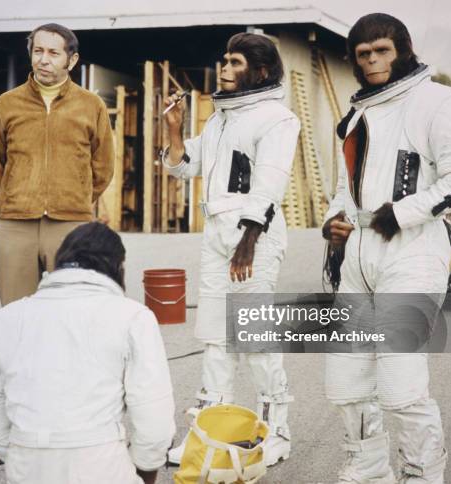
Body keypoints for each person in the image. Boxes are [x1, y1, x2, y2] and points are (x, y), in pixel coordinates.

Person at [322, 13, 451, 483]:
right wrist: (335, 220)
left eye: (382, 51)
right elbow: (346, 186)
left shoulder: (438, 101)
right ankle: (369, 469)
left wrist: (403, 213)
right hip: (359, 258)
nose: (372, 61)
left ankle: (422, 474)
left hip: (413, 251)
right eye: (364, 54)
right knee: (346, 383)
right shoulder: (357, 112)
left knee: (401, 383)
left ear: (404, 48)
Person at [162, 32, 300, 466]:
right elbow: (187, 167)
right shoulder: (219, 116)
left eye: (235, 62)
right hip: (218, 234)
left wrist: (249, 241)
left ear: (259, 71)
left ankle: (275, 430)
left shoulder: (277, 118)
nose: (224, 67)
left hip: (252, 237)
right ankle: (209, 430)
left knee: (255, 338)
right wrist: (173, 129)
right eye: (224, 59)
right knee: (216, 338)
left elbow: (270, 182)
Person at [0, 222, 175, 484]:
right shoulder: (133, 317)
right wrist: (145, 471)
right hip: (102, 465)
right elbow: (154, 421)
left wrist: (22, 455)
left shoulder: (1, 320)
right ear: (118, 268)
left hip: (26, 466)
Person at [0, 23, 114, 307]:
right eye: (38, 51)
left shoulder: (91, 106)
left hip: (71, 222)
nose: (43, 59)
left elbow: (103, 165)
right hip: (17, 222)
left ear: (72, 59)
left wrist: (77, 198)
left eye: (54, 53)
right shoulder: (7, 104)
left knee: (70, 308)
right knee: (16, 310)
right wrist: (13, 196)